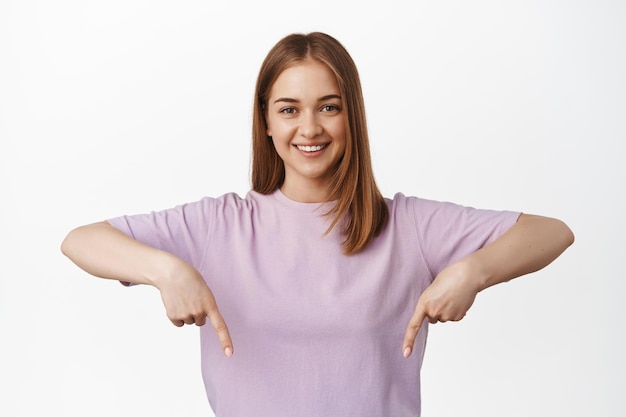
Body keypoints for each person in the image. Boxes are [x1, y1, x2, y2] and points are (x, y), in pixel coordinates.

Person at [61, 32, 574, 417]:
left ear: (352, 116)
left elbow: (552, 232)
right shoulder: (220, 225)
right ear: (266, 121)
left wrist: (472, 273)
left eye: (329, 107)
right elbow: (80, 241)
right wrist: (166, 271)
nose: (309, 128)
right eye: (289, 110)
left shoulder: (408, 226)